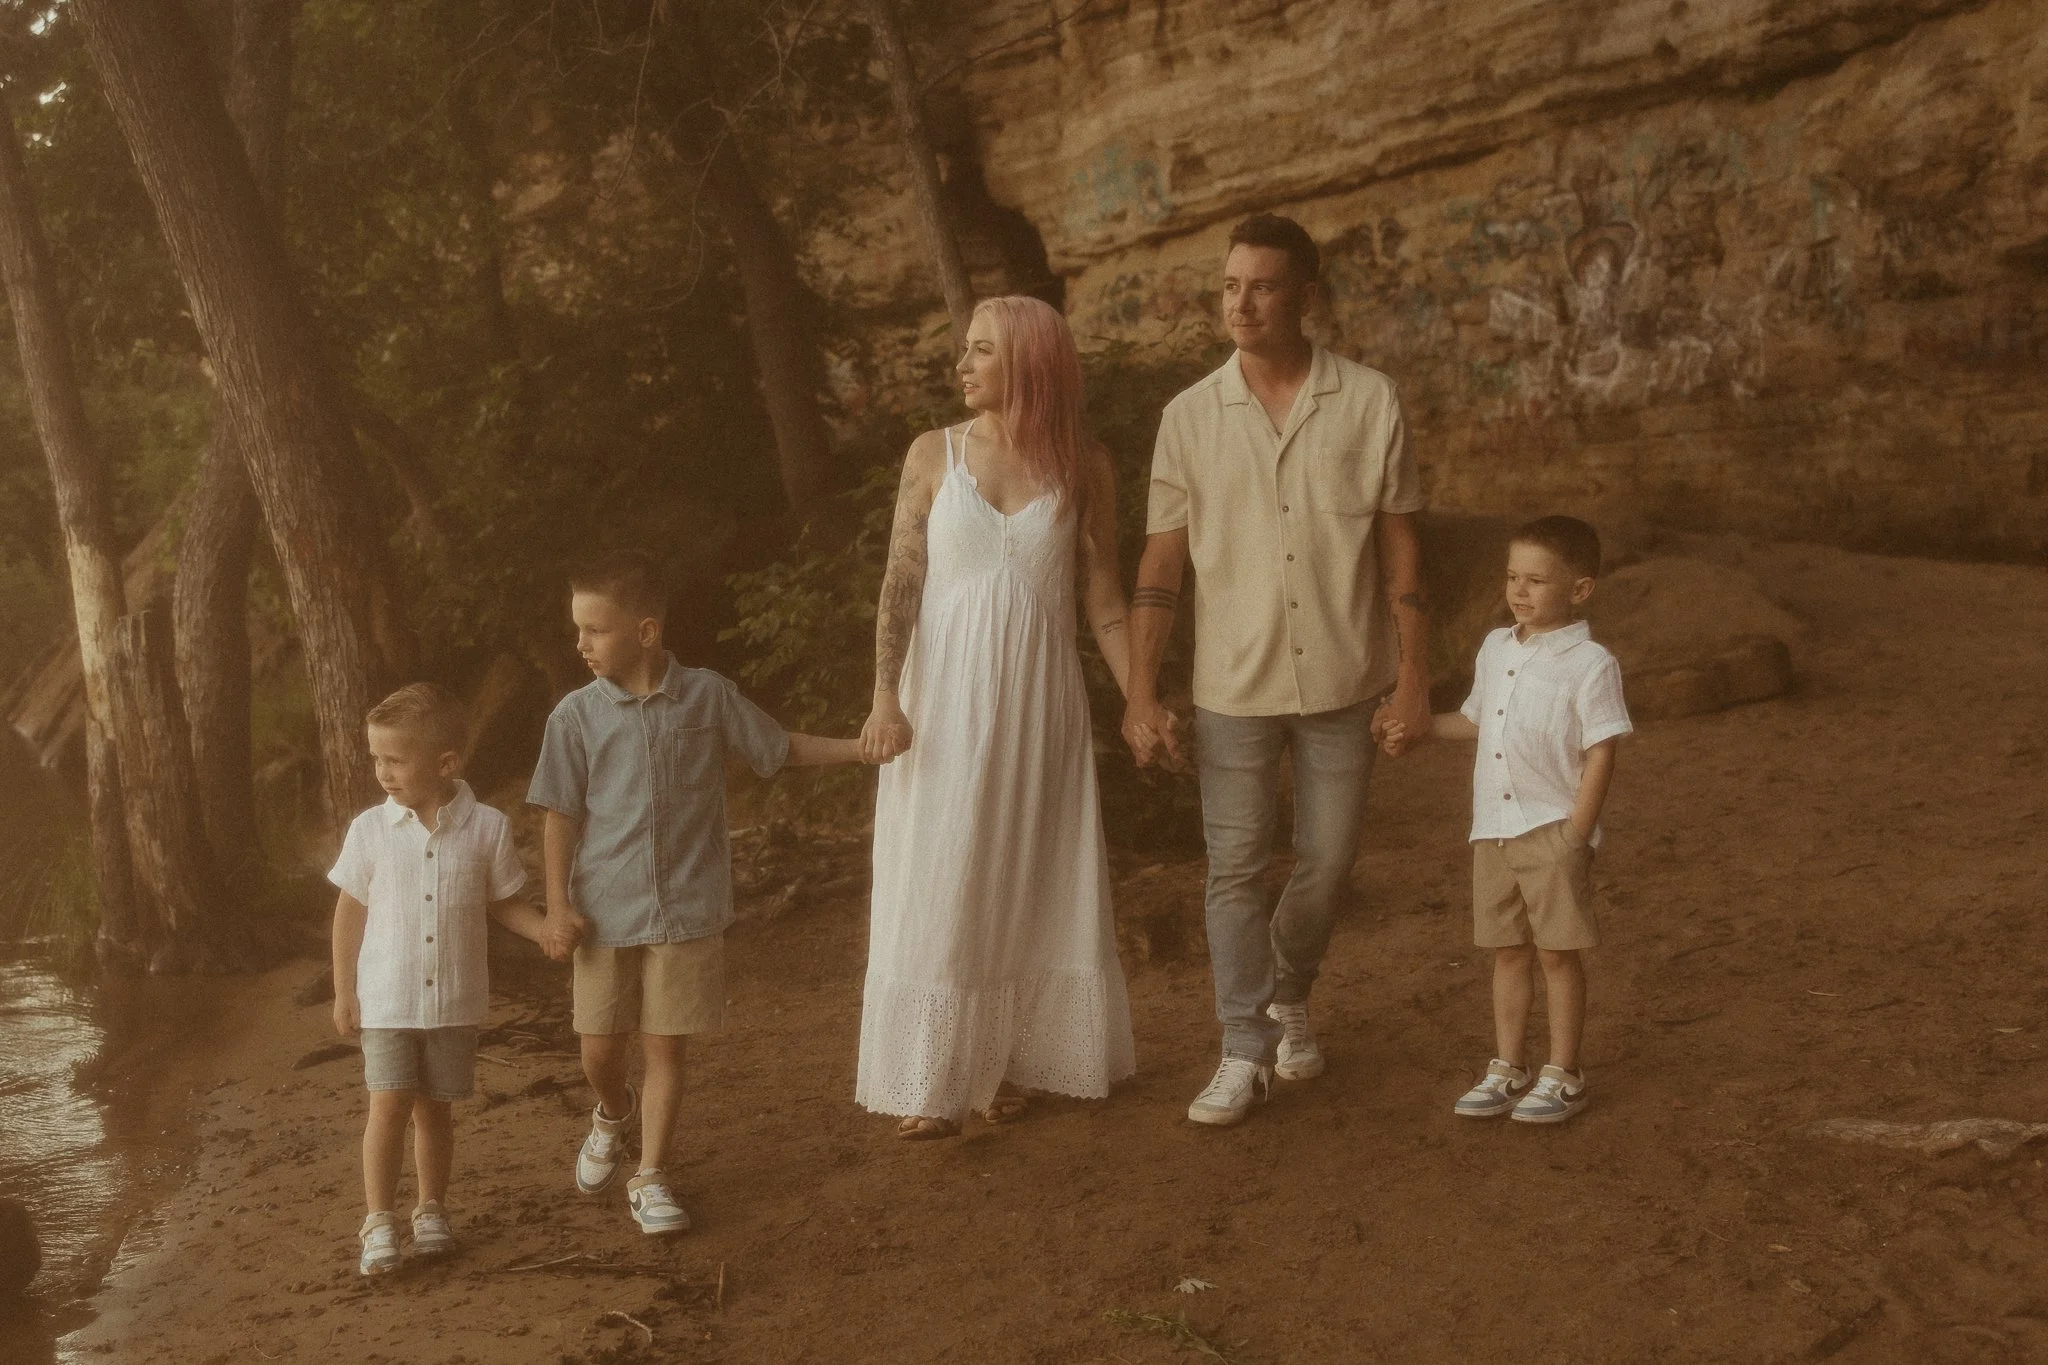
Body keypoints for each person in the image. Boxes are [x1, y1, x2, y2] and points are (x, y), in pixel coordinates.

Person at [1123, 213, 1431, 1127]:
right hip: (1232, 685)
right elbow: (1159, 567)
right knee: (1233, 868)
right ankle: (1244, 1046)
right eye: (1228, 286)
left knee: (1328, 861)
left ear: (1305, 295)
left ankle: (1286, 988)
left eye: (1260, 286)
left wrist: (1414, 678)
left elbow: (1404, 555)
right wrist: (1141, 692)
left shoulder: (1372, 402)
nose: (1240, 304)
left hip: (1346, 675)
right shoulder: (1187, 419)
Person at [856, 294, 1137, 1140]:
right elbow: (901, 581)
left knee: (1028, 868)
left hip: (1039, 701)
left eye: (981, 351)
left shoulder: (1086, 466)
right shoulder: (933, 454)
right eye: (966, 350)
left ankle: (1004, 1063)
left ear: (1029, 364)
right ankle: (931, 1076)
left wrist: (1141, 697)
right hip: (943, 700)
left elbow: (1104, 598)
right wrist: (883, 696)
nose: (963, 365)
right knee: (942, 871)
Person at [527, 554, 868, 1233]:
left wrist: (862, 749)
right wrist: (558, 903)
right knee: (599, 1050)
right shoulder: (574, 717)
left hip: (687, 907)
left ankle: (650, 1175)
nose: (581, 643)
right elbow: (558, 813)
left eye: (595, 629)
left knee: (666, 1048)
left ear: (646, 631)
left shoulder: (708, 696)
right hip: (604, 911)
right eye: (577, 629)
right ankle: (612, 1113)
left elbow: (779, 749)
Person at [1383, 516, 1631, 1123]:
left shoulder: (1591, 663)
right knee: (1507, 952)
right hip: (1492, 828)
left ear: (1579, 590)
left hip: (1550, 828)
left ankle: (1564, 1073)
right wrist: (1414, 730)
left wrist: (1577, 830)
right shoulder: (1495, 647)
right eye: (1513, 577)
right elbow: (1474, 722)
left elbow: (1601, 749)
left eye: (1538, 581)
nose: (1519, 592)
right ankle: (1508, 1065)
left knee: (1556, 953)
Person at [329, 682, 549, 1276]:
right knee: (389, 1105)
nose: (382, 772)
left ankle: (431, 1208)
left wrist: (545, 932)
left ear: (445, 763)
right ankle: (378, 1218)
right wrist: (344, 989)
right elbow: (350, 911)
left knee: (436, 1111)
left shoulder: (488, 828)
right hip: (388, 1000)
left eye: (395, 760)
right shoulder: (370, 831)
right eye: (377, 758)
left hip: (452, 1001)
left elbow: (503, 903)